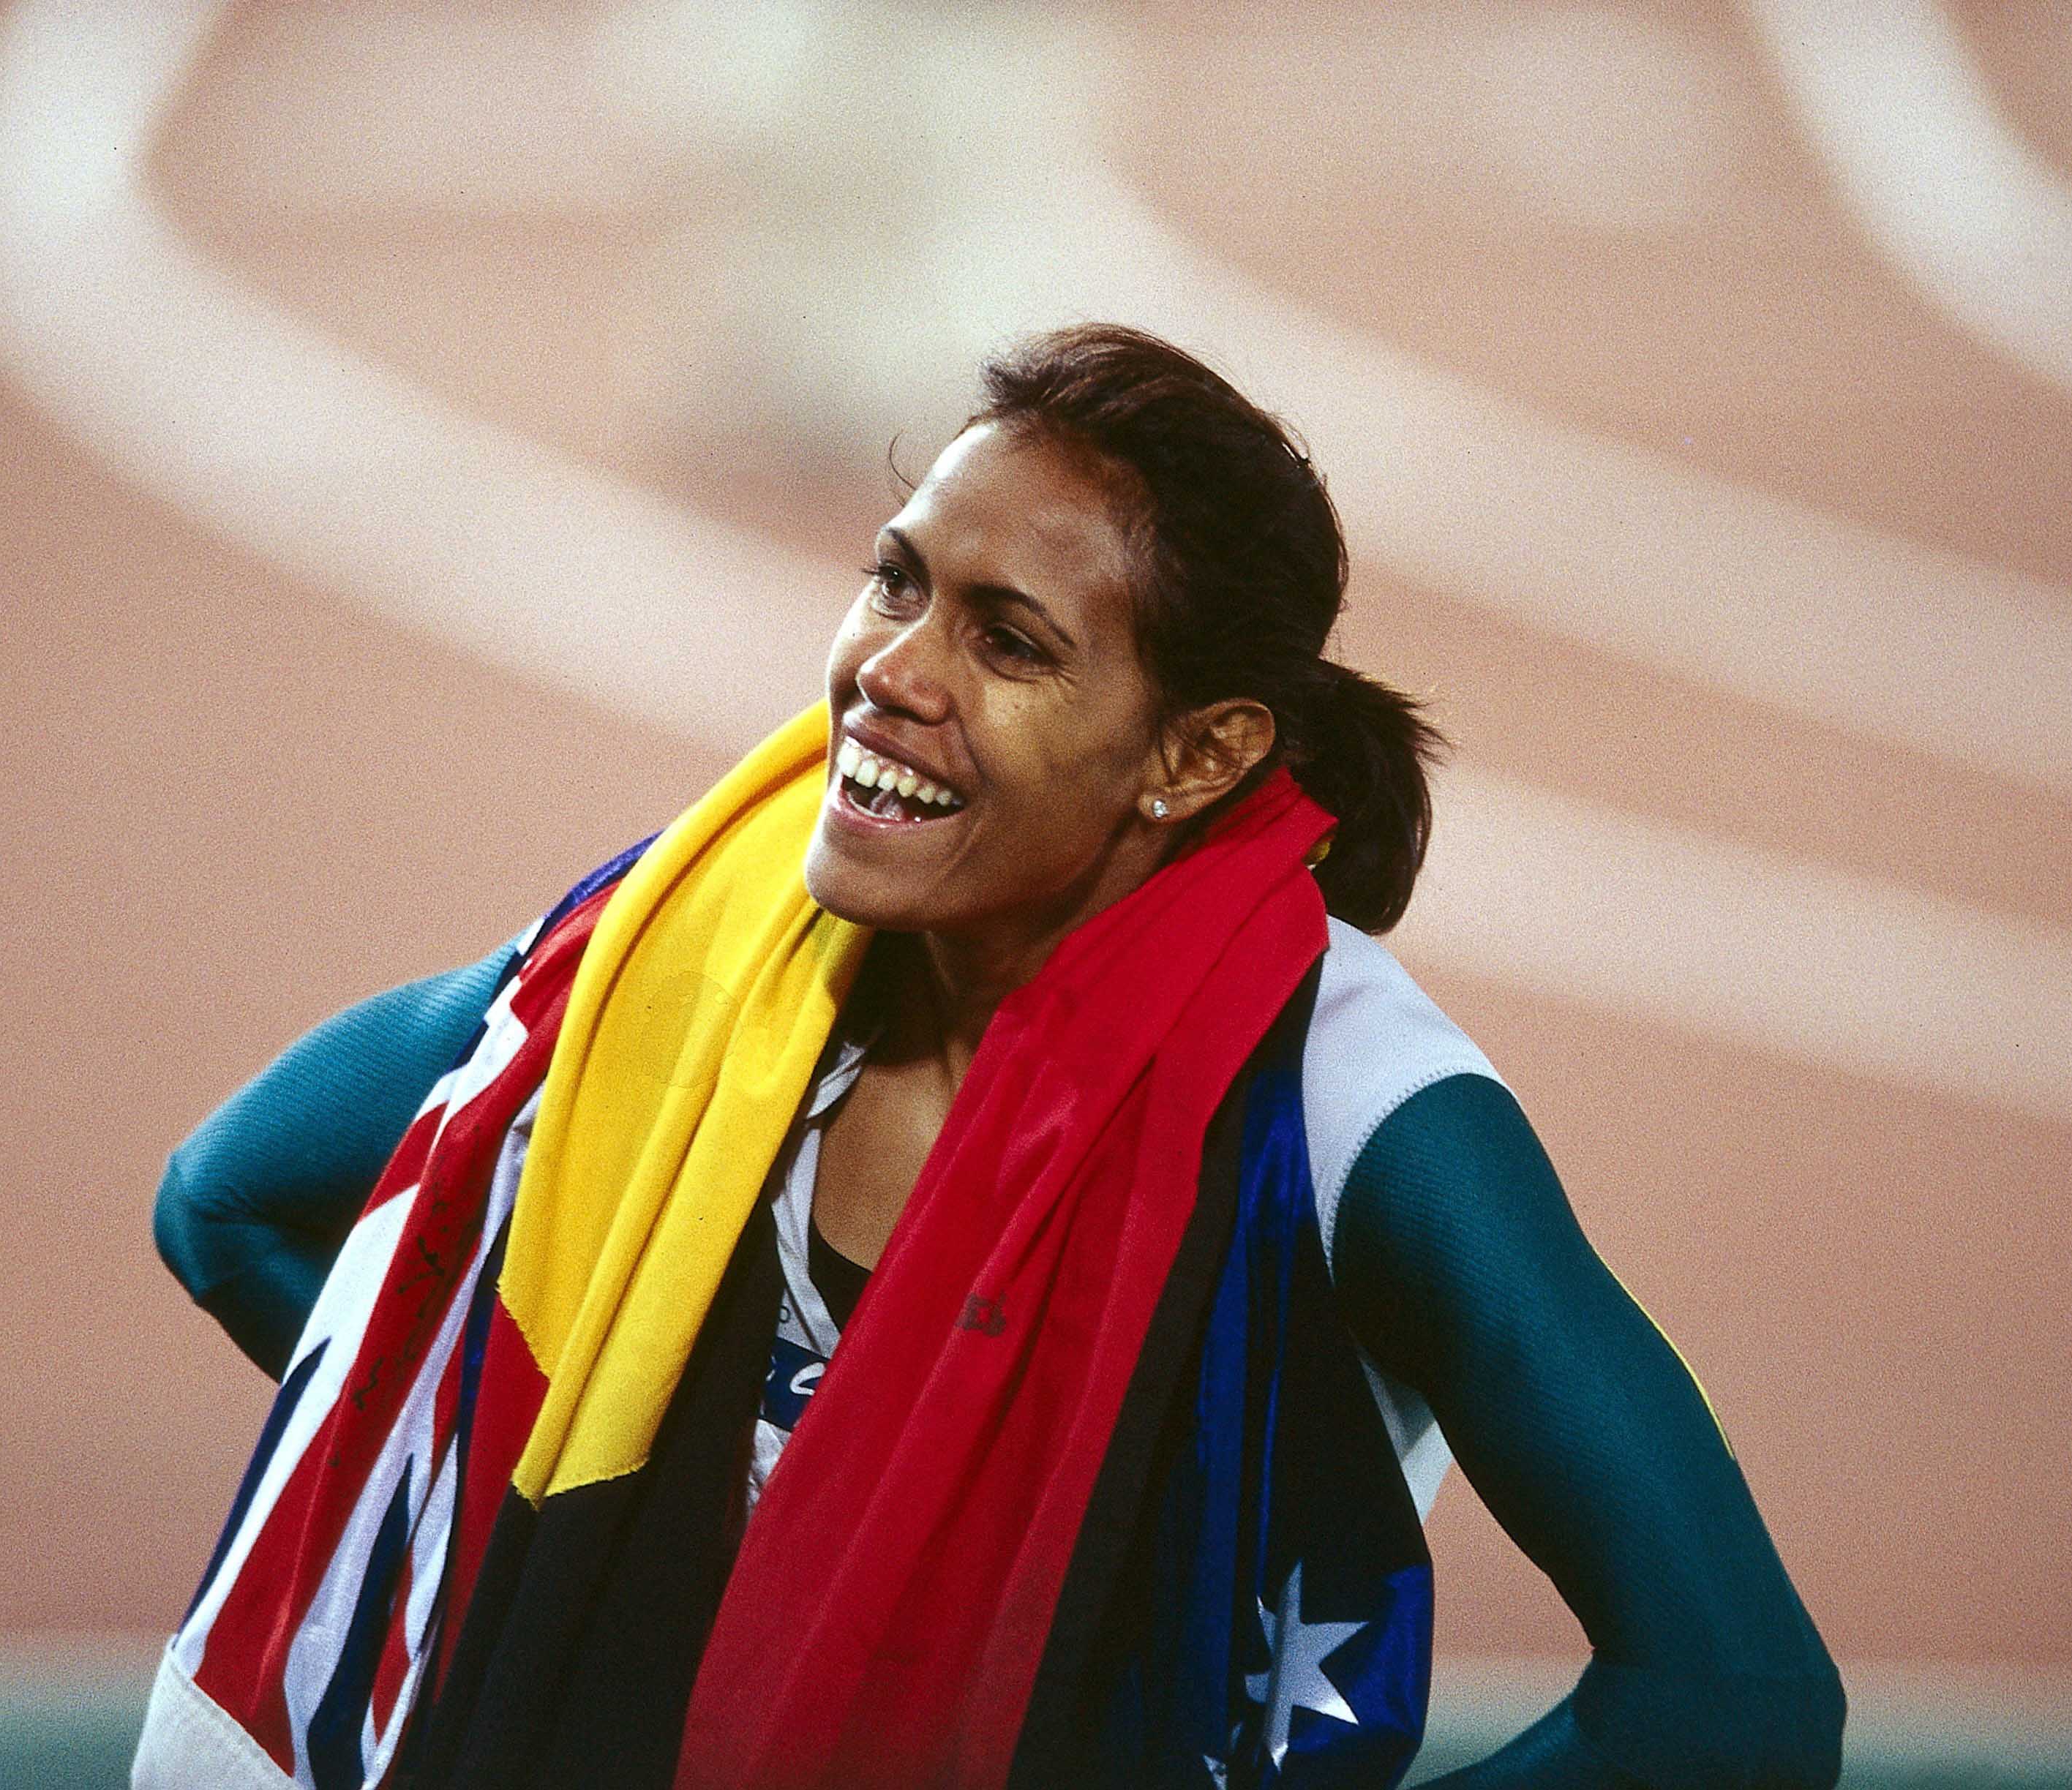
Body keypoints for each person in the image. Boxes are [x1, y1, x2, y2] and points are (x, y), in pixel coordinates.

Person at [139, 326, 1843, 1789]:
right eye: (897, 580)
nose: (888, 674)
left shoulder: (1353, 1110)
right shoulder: (684, 961)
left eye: (1006, 641)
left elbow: (1735, 1696)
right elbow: (226, 1205)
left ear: (1195, 754)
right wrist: (584, 1568)